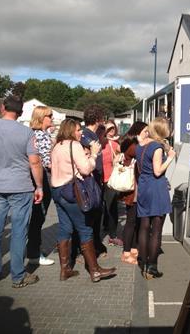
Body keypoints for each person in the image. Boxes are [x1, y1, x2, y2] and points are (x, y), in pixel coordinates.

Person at [0, 95, 44, 288]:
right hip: (21, 187)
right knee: (18, 232)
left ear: (2, 108)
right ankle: (17, 276)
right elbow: (34, 162)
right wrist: (39, 186)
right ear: (20, 112)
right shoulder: (26, 133)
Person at [50, 119, 115, 282]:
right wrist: (93, 154)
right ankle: (95, 270)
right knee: (85, 229)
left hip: (57, 190)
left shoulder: (57, 145)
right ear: (71, 131)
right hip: (71, 191)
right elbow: (86, 168)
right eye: (78, 130)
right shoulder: (75, 146)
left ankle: (65, 270)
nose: (81, 133)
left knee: (65, 229)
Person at [136, 117, 175, 279]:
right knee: (156, 229)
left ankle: (143, 263)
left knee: (144, 226)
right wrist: (171, 157)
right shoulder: (156, 147)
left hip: (143, 186)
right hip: (156, 188)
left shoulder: (141, 145)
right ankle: (152, 266)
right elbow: (158, 171)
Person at [26, 106, 55, 266]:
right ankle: (34, 253)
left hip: (36, 178)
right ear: (41, 117)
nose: (51, 118)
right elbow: (45, 161)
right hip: (42, 178)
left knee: (37, 217)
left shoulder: (35, 134)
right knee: (39, 216)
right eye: (49, 116)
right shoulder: (40, 136)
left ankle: (33, 249)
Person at [80, 105, 107, 257]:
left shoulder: (92, 134)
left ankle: (95, 244)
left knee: (96, 214)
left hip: (96, 179)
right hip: (90, 180)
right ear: (97, 119)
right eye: (102, 118)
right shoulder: (86, 134)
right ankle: (90, 248)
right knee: (91, 215)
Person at [119, 121, 148, 265]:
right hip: (133, 189)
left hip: (136, 188)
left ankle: (134, 248)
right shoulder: (133, 147)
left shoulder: (134, 145)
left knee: (136, 220)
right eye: (145, 132)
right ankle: (126, 252)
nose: (147, 135)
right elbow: (142, 155)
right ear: (137, 133)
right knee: (131, 221)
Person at [101, 120, 122, 247]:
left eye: (113, 129)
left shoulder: (115, 144)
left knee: (111, 206)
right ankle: (105, 225)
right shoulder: (99, 143)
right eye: (108, 129)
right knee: (101, 206)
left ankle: (113, 235)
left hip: (111, 180)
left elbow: (122, 155)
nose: (111, 131)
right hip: (98, 179)